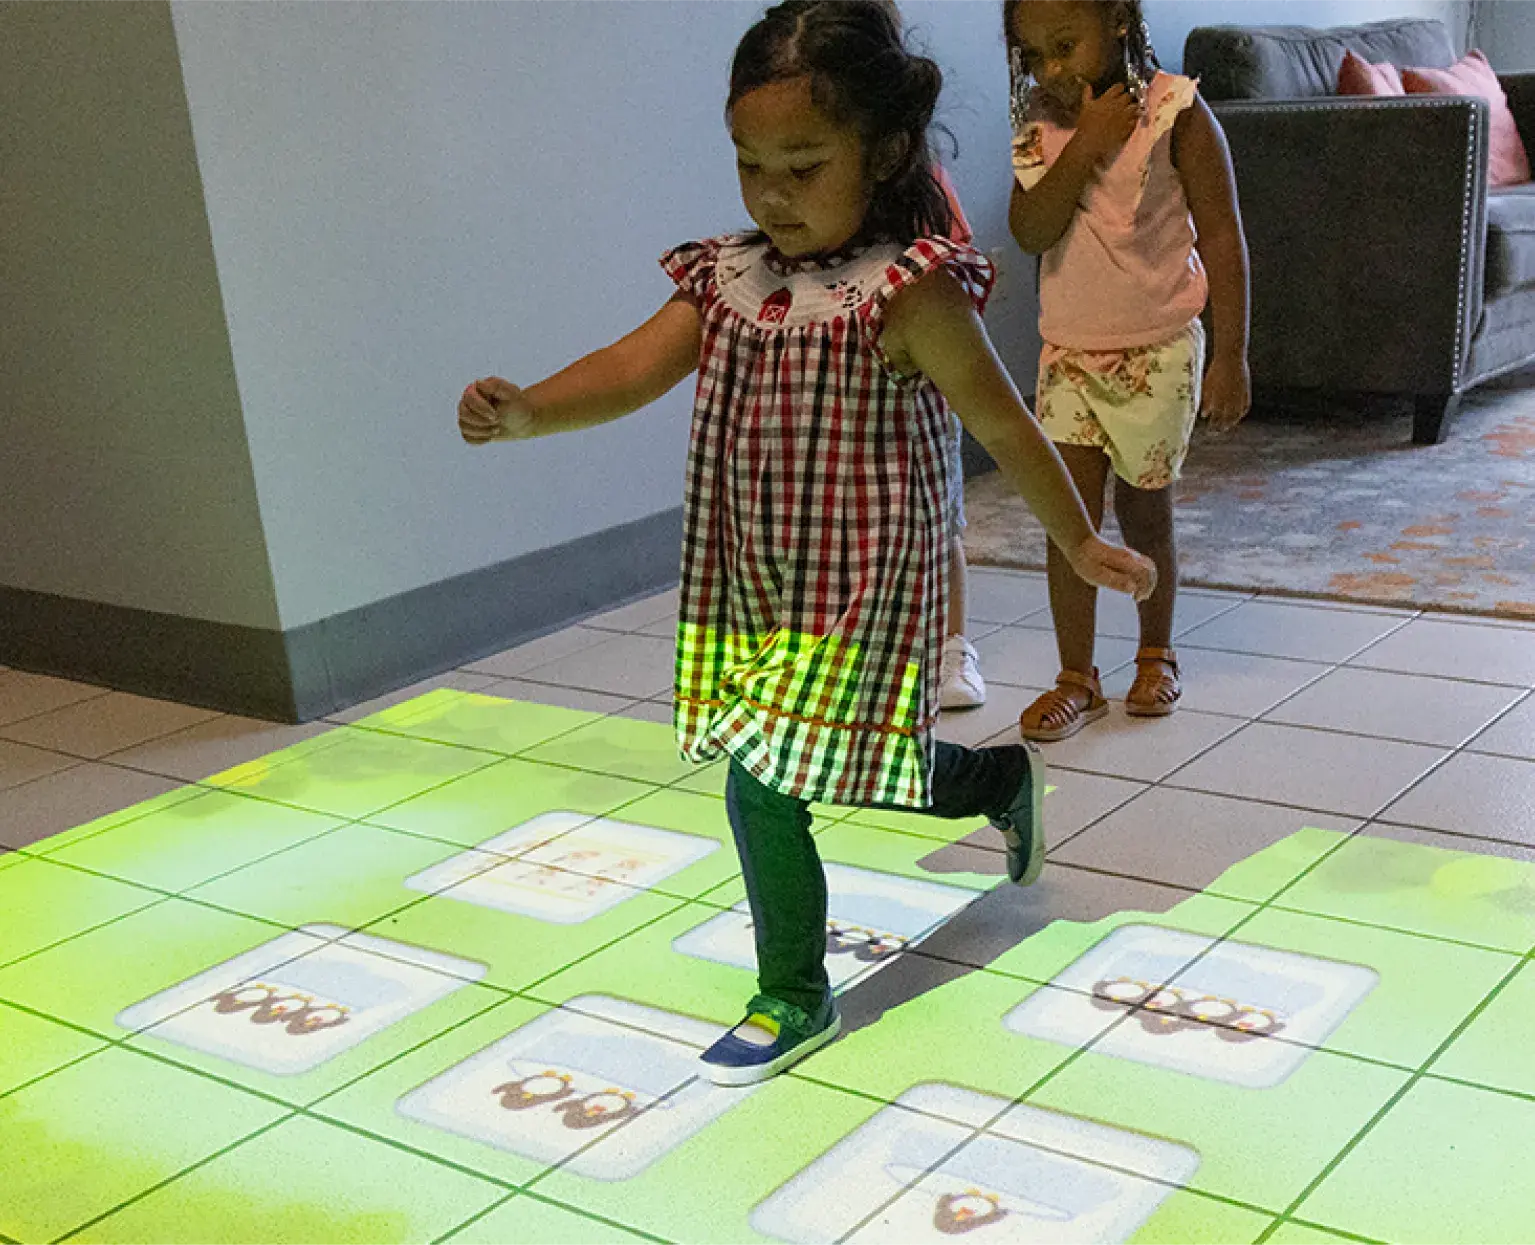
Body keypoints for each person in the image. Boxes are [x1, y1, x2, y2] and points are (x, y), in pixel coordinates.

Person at [457, 0, 1154, 1085]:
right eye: (750, 166)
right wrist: (531, 411)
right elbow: (631, 368)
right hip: (752, 581)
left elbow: (1004, 424)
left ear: (880, 153)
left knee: (764, 778)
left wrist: (1075, 538)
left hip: (864, 583)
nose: (771, 195)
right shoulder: (727, 276)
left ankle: (791, 992)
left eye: (802, 167)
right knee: (853, 763)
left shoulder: (908, 293)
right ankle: (994, 783)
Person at [1006, 0, 1251, 741]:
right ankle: (1075, 677)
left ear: (1117, 20)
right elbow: (1030, 230)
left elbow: (1221, 235)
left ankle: (1155, 652)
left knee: (1145, 513)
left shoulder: (1179, 114)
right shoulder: (1039, 125)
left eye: (1064, 45)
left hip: (1157, 349)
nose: (1050, 69)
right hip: (1069, 353)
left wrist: (1231, 355)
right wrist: (1084, 144)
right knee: (1069, 521)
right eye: (1034, 54)